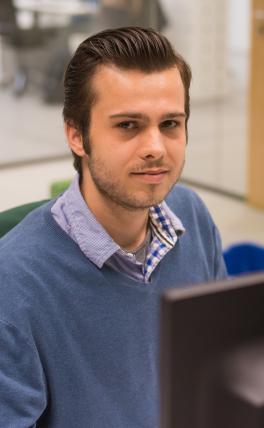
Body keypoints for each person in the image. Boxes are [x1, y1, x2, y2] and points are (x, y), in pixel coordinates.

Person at [0, 27, 227, 427]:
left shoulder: (191, 215)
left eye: (170, 123)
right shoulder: (15, 281)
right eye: (128, 125)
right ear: (77, 135)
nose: (155, 146)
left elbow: (222, 363)